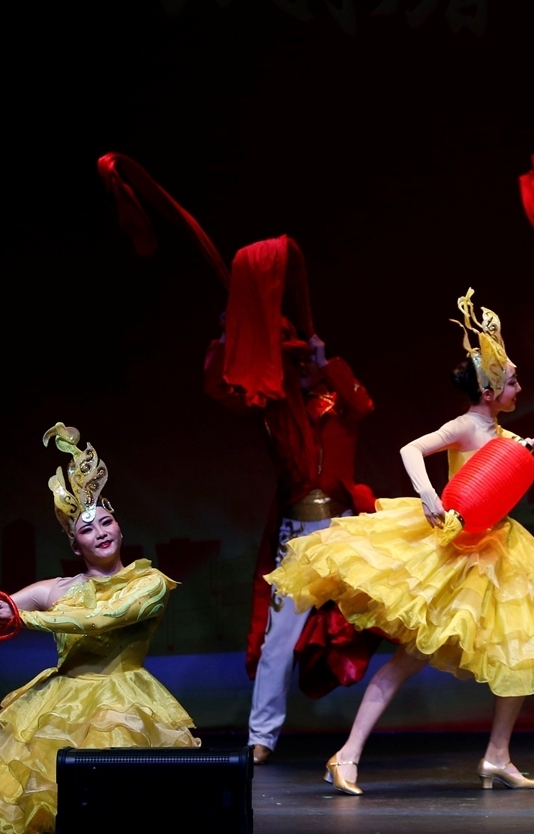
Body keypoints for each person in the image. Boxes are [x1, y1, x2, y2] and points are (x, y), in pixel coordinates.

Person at [267, 290, 534, 794]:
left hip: (497, 556)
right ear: (490, 390)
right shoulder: (466, 426)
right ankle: (346, 755)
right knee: (406, 661)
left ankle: (497, 756)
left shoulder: (508, 439)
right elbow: (411, 449)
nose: (520, 387)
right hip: (455, 555)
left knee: (521, 654)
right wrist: (429, 495)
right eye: (513, 381)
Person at [0, 425, 199, 833]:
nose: (100, 533)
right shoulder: (56, 589)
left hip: (123, 702)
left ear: (120, 529)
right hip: (57, 703)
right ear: (74, 545)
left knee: (118, 810)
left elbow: (99, 619)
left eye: (106, 523)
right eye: (87, 529)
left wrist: (25, 618)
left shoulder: (148, 583)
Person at [204, 234, 380, 765]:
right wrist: (228, 338)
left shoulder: (339, 401)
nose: (298, 368)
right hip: (299, 536)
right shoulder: (273, 409)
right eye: (290, 361)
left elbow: (365, 405)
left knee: (400, 613)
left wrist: (327, 361)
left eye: (302, 360)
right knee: (278, 637)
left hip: (347, 531)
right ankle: (261, 736)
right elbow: (221, 388)